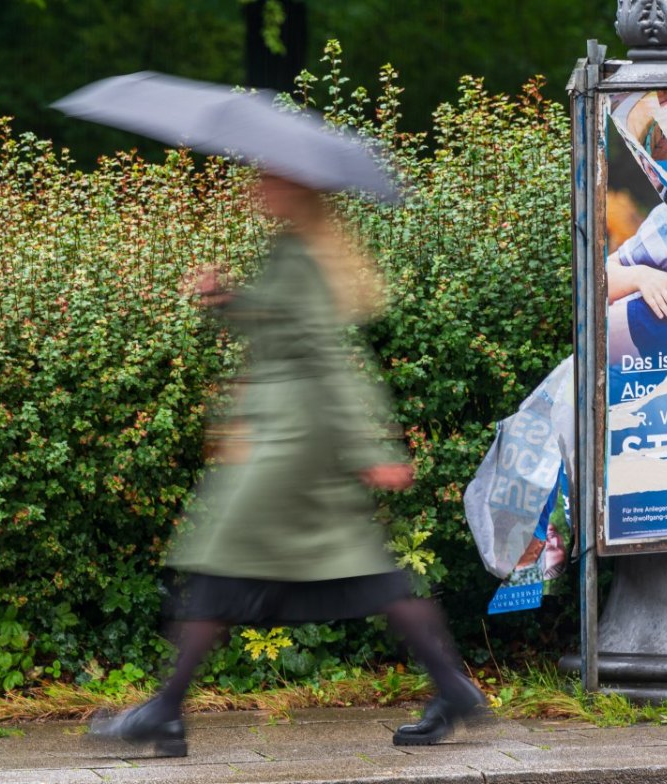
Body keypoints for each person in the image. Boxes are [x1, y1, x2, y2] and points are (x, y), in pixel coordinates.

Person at [89, 173, 485, 756]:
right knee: (360, 570)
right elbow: (281, 325)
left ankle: (166, 712)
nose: (257, 186)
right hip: (289, 432)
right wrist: (228, 300)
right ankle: (453, 688)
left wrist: (374, 447)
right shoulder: (293, 247)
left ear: (297, 187)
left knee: (222, 560)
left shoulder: (305, 254)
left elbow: (329, 356)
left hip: (293, 440)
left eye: (269, 178)